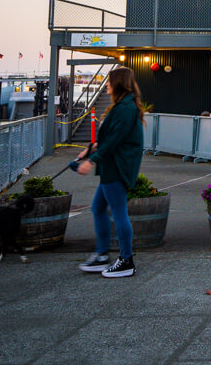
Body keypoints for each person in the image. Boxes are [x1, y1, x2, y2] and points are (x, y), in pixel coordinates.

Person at [73, 66, 145, 278]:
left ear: (118, 83)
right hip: (112, 165)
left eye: (109, 81)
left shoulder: (125, 107)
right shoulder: (123, 106)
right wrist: (91, 148)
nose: (107, 85)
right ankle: (103, 255)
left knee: (119, 213)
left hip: (117, 166)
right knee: (98, 208)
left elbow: (116, 139)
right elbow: (111, 135)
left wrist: (92, 161)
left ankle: (126, 260)